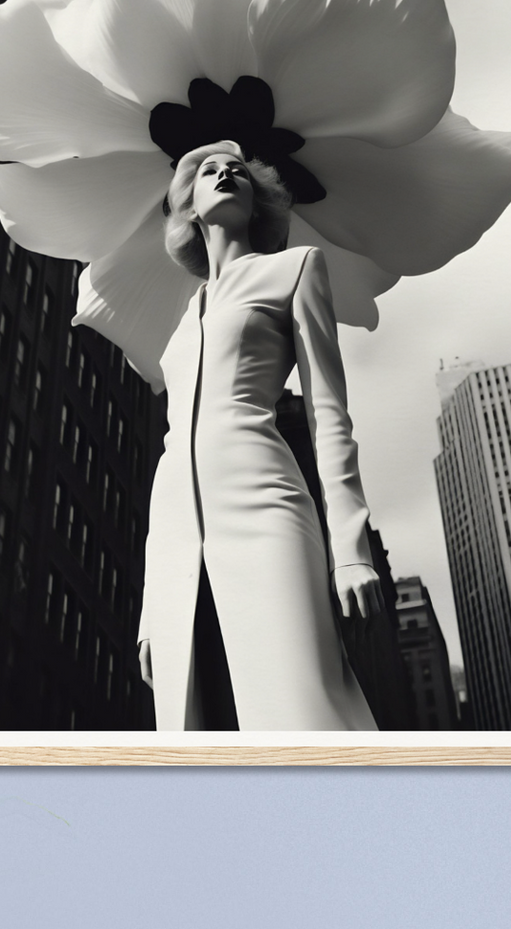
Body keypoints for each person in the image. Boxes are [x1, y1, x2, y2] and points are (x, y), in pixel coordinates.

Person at [137, 142, 383, 731]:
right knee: (196, 724)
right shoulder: (182, 320)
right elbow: (173, 449)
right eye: (208, 172)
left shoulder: (295, 268)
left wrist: (350, 548)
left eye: (239, 172)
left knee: (302, 705)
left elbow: (329, 412)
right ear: (189, 208)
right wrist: (151, 601)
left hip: (266, 505)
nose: (224, 174)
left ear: (256, 203)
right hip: (175, 535)